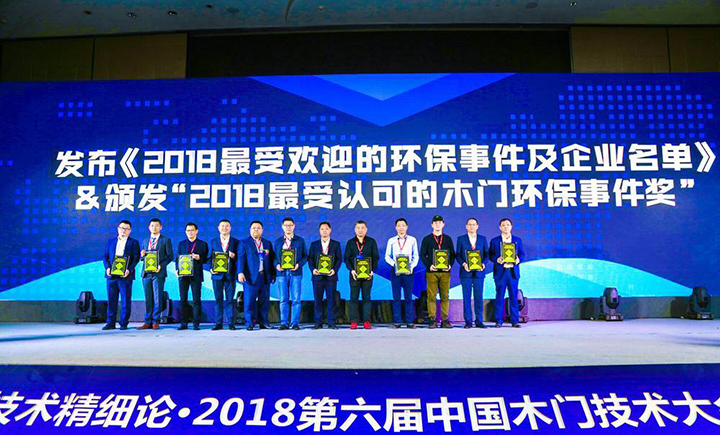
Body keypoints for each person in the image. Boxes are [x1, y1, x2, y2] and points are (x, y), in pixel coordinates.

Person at [102, 220, 140, 330]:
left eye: (126, 229)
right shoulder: (111, 241)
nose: (124, 230)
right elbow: (105, 256)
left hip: (125, 276)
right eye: (122, 228)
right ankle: (110, 322)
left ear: (130, 231)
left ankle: (123, 323)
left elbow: (136, 258)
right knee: (111, 300)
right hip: (111, 276)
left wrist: (129, 270)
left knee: (125, 300)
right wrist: (107, 268)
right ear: (118, 229)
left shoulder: (133, 242)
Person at [237, 220, 276, 331]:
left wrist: (273, 274)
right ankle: (249, 323)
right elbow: (241, 259)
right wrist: (240, 272)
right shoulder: (244, 243)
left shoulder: (267, 243)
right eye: (254, 228)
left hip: (264, 276)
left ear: (262, 230)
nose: (256, 230)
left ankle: (264, 322)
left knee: (264, 301)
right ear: (250, 230)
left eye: (258, 228)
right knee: (249, 301)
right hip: (250, 276)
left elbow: (271, 260)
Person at [488, 218, 526, 328]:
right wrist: (497, 259)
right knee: (499, 296)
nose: (506, 227)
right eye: (503, 225)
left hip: (513, 272)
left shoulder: (517, 240)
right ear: (500, 227)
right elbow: (490, 255)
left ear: (511, 227)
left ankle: (515, 321)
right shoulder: (495, 241)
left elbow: (522, 254)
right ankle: (499, 321)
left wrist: (519, 259)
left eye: (508, 225)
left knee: (514, 296)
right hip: (501, 272)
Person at [419, 215, 455, 329]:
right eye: (435, 223)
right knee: (431, 296)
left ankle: (444, 320)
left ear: (443, 224)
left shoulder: (448, 239)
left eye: (440, 222)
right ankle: (432, 319)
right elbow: (422, 255)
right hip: (431, 272)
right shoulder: (427, 239)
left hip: (445, 272)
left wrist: (449, 265)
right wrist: (429, 265)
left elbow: (452, 255)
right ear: (432, 225)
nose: (437, 225)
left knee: (445, 296)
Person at [343, 220, 380, 330]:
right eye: (358, 228)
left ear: (366, 229)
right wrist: (351, 270)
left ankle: (366, 321)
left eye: (362, 228)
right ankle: (353, 321)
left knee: (366, 298)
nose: (360, 230)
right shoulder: (350, 243)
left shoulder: (371, 242)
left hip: (368, 275)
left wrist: (372, 270)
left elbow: (376, 258)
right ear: (355, 230)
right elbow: (346, 258)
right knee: (353, 298)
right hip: (354, 275)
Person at [138, 218, 173, 330]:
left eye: (157, 225)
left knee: (157, 298)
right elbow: (142, 258)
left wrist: (161, 266)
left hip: (158, 273)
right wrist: (142, 255)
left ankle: (155, 321)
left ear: (160, 227)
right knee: (148, 298)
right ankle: (147, 321)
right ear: (149, 227)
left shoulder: (165, 240)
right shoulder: (145, 241)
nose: (154, 227)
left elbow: (170, 256)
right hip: (146, 273)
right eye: (152, 225)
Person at [274, 217, 308, 330]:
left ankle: (294, 323)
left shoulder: (300, 240)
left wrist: (298, 264)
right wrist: (277, 265)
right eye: (286, 225)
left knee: (296, 299)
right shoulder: (278, 241)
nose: (288, 227)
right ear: (282, 227)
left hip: (296, 273)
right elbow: (274, 257)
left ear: (294, 226)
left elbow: (305, 256)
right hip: (282, 274)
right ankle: (284, 322)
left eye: (290, 225)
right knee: (283, 299)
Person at [307, 221, 342, 329]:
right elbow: (310, 259)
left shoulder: (336, 244)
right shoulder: (314, 244)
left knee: (331, 300)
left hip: (331, 277)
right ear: (319, 231)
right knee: (318, 300)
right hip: (317, 277)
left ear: (330, 230)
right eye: (322, 229)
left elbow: (339, 259)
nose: (324, 231)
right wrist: (313, 269)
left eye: (326, 229)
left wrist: (334, 270)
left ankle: (331, 322)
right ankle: (318, 322)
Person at [385, 218, 419, 329]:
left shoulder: (412, 240)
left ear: (407, 227)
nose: (401, 228)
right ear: (396, 228)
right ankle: (397, 321)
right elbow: (387, 256)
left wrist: (411, 267)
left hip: (409, 272)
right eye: (399, 226)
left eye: (403, 225)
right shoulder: (391, 241)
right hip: (396, 272)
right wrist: (395, 264)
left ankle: (410, 321)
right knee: (396, 297)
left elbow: (416, 256)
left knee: (408, 297)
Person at [455, 218, 489, 328]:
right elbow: (458, 255)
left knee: (479, 297)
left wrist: (483, 264)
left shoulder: (483, 239)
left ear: (477, 226)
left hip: (479, 273)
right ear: (466, 226)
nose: (472, 226)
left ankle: (479, 321)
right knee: (467, 298)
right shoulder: (461, 239)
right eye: (469, 224)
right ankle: (468, 321)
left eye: (474, 224)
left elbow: (487, 254)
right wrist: (464, 264)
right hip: (466, 272)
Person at [176, 222, 209, 330]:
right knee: (183, 299)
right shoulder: (181, 244)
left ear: (196, 231)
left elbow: (206, 260)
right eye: (188, 231)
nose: (190, 232)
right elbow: (178, 258)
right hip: (183, 275)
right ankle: (183, 323)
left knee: (196, 300)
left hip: (196, 275)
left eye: (192, 230)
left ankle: (196, 323)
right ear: (185, 232)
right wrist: (177, 269)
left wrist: (199, 257)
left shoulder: (202, 244)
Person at [209, 219, 240, 330]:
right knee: (218, 299)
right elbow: (209, 258)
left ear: (230, 228)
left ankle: (231, 322)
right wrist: (211, 269)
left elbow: (240, 259)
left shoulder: (236, 242)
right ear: (218, 228)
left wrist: (234, 256)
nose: (224, 228)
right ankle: (218, 323)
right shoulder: (213, 241)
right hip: (217, 275)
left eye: (227, 226)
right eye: (222, 226)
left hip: (230, 275)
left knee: (230, 300)